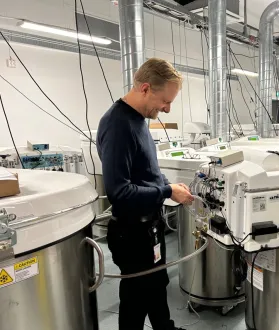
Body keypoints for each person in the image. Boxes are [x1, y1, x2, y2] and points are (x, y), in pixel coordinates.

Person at [97, 58, 194, 330]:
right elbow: (119, 192)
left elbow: (147, 169)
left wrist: (168, 185)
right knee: (135, 299)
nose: (167, 108)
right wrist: (166, 191)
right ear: (145, 88)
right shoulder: (118, 124)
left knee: (157, 285)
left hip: (149, 228)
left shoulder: (139, 120)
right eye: (165, 101)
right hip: (131, 233)